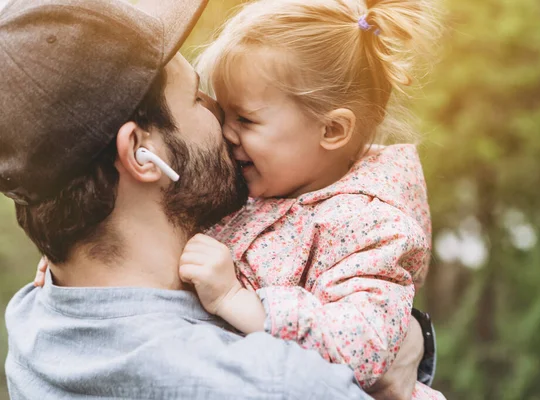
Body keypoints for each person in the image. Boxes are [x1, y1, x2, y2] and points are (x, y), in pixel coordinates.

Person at [1, 0, 429, 399]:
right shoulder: (273, 384)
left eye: (245, 117)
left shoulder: (34, 319)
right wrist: (410, 343)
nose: (221, 119)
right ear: (139, 153)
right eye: (196, 97)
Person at [173, 0, 444, 398]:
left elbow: (363, 347)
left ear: (332, 129)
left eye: (245, 119)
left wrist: (242, 301)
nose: (225, 131)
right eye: (222, 110)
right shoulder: (256, 184)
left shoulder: (372, 226)